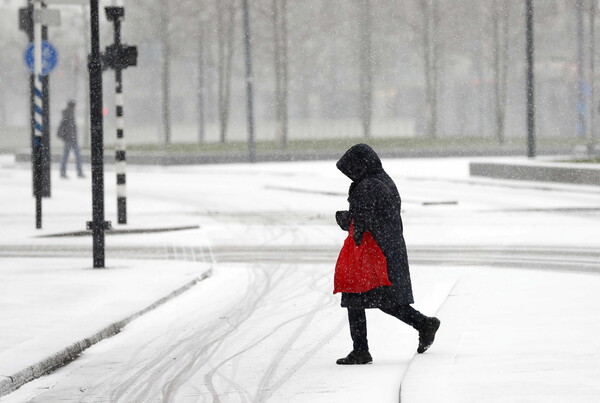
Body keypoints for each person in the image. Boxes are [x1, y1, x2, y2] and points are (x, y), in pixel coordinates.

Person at [334, 143, 440, 365]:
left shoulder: (366, 187)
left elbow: (359, 222)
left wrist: (342, 218)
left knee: (356, 296)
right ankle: (423, 324)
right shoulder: (384, 180)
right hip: (390, 247)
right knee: (386, 299)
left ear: (360, 165)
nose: (350, 176)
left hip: (373, 252)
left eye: (351, 170)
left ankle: (361, 350)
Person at [57, 100, 84, 178]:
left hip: (70, 139)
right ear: (73, 106)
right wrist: (72, 137)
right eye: (75, 106)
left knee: (66, 156)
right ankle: (78, 172)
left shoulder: (68, 114)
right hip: (71, 139)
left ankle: (63, 172)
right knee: (77, 156)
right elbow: (70, 128)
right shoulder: (69, 115)